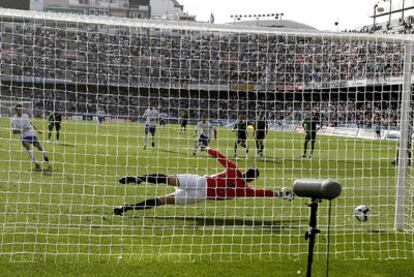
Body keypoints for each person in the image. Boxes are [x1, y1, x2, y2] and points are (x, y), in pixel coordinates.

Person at [113, 148, 293, 215]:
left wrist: (207, 148)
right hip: (201, 195)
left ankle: (139, 179)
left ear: (246, 172)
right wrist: (279, 194)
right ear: (252, 180)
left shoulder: (234, 170)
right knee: (163, 199)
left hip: (200, 182)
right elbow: (262, 193)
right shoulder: (245, 190)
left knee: (168, 179)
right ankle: (127, 208)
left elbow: (221, 157)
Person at [11, 103, 49, 171]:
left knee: (39, 147)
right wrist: (23, 130)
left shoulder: (26, 116)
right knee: (28, 147)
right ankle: (36, 163)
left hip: (31, 134)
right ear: (16, 110)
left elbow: (30, 123)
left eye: (22, 109)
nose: (21, 111)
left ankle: (45, 156)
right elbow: (14, 131)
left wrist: (37, 130)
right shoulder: (14, 120)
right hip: (23, 137)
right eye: (19, 110)